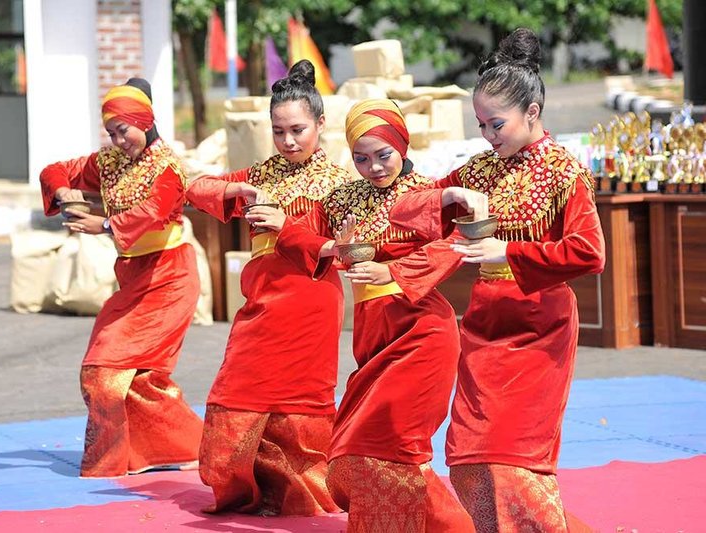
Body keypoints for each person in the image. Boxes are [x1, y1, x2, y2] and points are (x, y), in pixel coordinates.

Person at [389, 28, 606, 532]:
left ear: (533, 111)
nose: (488, 135)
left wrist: (506, 249)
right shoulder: (481, 170)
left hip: (540, 328)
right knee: (468, 457)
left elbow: (590, 251)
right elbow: (403, 209)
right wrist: (443, 199)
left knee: (513, 460)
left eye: (496, 124)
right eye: (481, 124)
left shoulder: (563, 173)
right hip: (485, 324)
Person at [271, 99, 484, 532]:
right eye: (360, 158)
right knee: (356, 445)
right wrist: (330, 247)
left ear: (401, 144)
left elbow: (454, 245)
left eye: (383, 155)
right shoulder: (345, 199)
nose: (373, 167)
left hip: (423, 332)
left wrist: (392, 270)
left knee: (389, 445)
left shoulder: (426, 193)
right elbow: (296, 231)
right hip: (372, 338)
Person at [185, 60, 351, 516]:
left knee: (298, 408)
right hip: (260, 306)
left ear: (321, 123)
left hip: (311, 303)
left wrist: (287, 226)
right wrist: (237, 196)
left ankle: (299, 496)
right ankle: (247, 491)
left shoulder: (341, 185)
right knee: (233, 396)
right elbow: (192, 188)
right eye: (278, 131)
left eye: (298, 129)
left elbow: (343, 252)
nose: (288, 141)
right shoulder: (259, 177)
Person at [39, 78, 202, 478]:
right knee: (141, 380)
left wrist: (105, 224)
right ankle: (197, 446)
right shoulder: (109, 163)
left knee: (103, 369)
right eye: (111, 132)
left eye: (122, 130)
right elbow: (55, 170)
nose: (117, 140)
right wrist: (65, 195)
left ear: (145, 121)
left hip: (169, 277)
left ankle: (109, 464)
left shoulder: (168, 167)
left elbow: (152, 213)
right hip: (132, 278)